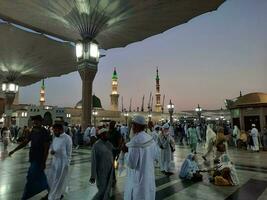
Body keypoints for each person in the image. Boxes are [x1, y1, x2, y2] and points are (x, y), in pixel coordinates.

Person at [9, 115, 50, 200]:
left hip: (39, 159)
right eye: (34, 121)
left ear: (41, 122)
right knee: (40, 176)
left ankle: (26, 196)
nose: (35, 122)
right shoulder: (33, 131)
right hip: (33, 157)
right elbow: (25, 142)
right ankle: (50, 191)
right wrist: (14, 150)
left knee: (31, 176)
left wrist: (44, 162)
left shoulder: (44, 132)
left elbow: (46, 148)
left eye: (37, 121)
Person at [123, 115, 156, 200]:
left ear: (137, 126)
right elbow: (154, 156)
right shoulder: (150, 138)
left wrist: (126, 153)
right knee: (148, 193)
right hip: (149, 174)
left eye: (133, 125)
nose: (132, 127)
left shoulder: (135, 141)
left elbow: (132, 164)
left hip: (139, 176)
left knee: (139, 194)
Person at [45, 123, 72, 200]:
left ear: (61, 130)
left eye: (56, 131)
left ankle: (54, 196)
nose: (54, 132)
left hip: (63, 163)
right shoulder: (55, 137)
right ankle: (53, 194)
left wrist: (67, 164)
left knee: (59, 180)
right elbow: (52, 147)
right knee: (52, 179)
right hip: (54, 162)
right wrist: (52, 151)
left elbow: (69, 152)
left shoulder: (67, 138)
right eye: (53, 130)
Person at [90, 128, 114, 200]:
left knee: (107, 189)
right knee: (102, 190)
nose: (108, 135)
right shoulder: (96, 146)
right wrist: (93, 175)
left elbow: (114, 151)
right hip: (101, 171)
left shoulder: (109, 144)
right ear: (101, 135)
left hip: (110, 171)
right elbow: (93, 161)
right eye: (106, 134)